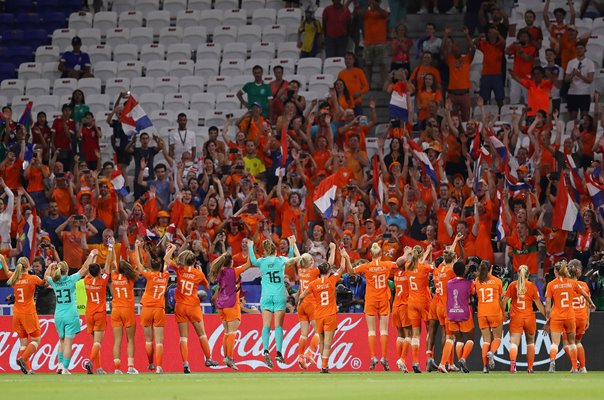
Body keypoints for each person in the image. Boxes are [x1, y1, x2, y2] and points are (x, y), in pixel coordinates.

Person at [164, 243, 218, 373]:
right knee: (202, 334)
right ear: (194, 261)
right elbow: (206, 287)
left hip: (180, 307)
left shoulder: (179, 269)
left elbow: (166, 259)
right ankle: (208, 358)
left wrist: (172, 248)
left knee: (183, 337)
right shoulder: (198, 274)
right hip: (193, 306)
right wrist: (200, 273)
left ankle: (186, 364)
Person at [248, 236, 296, 367]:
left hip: (266, 296)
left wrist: (250, 246)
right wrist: (291, 245)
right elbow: (291, 260)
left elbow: (252, 260)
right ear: (275, 251)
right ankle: (279, 352)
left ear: (265, 251)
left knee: (266, 325)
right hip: (279, 296)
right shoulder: (280, 260)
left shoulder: (261, 261)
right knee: (278, 326)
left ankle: (265, 350)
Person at [47, 250, 97, 374]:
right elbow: (85, 268)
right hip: (71, 314)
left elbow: (46, 277)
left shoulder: (54, 282)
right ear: (67, 270)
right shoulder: (71, 280)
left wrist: (49, 267)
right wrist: (91, 255)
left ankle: (59, 365)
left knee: (61, 340)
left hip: (58, 315)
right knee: (68, 342)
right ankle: (65, 368)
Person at [350, 242, 399, 371]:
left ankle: (373, 357)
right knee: (384, 330)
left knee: (371, 330)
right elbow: (400, 264)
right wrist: (406, 254)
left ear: (371, 254)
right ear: (381, 254)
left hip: (371, 300)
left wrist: (344, 256)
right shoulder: (387, 264)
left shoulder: (366, 267)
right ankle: (384, 357)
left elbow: (350, 271)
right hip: (383, 300)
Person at [298, 250, 348, 373]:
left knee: (321, 341)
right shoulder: (332, 280)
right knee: (327, 343)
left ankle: (322, 365)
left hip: (318, 315)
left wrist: (299, 304)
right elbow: (342, 268)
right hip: (330, 314)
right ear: (329, 271)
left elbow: (301, 295)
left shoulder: (313, 284)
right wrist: (343, 255)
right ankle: (324, 367)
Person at [545, 260, 595, 373]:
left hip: (560, 316)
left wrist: (548, 318)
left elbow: (550, 305)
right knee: (576, 343)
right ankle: (581, 367)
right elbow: (586, 299)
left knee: (560, 343)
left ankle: (555, 361)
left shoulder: (552, 284)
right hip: (578, 317)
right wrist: (589, 315)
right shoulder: (580, 285)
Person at [209, 252, 252, 370]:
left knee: (227, 332)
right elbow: (249, 264)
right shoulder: (234, 271)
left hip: (221, 305)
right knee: (232, 332)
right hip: (231, 304)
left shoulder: (220, 272)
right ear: (231, 262)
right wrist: (250, 249)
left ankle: (226, 357)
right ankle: (230, 357)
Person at [3, 256, 44, 375]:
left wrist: (1, 257)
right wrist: (50, 270)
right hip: (28, 313)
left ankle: (28, 369)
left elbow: (6, 271)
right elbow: (45, 284)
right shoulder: (32, 278)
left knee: (23, 342)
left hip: (17, 314)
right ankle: (23, 359)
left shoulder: (14, 278)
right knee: (36, 339)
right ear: (28, 266)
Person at [502, 264, 546, 374]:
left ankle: (513, 364)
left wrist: (503, 313)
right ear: (529, 274)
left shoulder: (512, 285)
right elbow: (539, 304)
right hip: (529, 317)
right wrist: (547, 316)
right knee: (530, 342)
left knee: (514, 342)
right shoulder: (532, 286)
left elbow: (504, 301)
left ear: (517, 273)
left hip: (516, 317)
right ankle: (530, 368)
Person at [133, 240, 169, 374]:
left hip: (147, 308)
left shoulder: (149, 275)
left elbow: (138, 264)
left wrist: (137, 247)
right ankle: (159, 366)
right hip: (159, 309)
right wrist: (170, 249)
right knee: (159, 341)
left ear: (151, 266)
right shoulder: (164, 276)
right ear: (160, 266)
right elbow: (166, 261)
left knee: (149, 340)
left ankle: (150, 363)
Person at [108, 238, 139, 374]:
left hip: (115, 310)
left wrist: (112, 246)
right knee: (130, 339)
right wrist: (136, 248)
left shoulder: (114, 276)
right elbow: (137, 264)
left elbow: (113, 262)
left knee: (117, 341)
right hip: (127, 309)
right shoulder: (130, 277)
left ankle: (116, 368)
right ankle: (130, 367)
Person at [438, 261, 475, 374]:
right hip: (464, 314)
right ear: (464, 271)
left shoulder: (449, 283)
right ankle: (462, 358)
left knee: (453, 339)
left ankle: (442, 364)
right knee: (470, 338)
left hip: (452, 313)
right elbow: (473, 293)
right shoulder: (469, 283)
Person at [404, 245, 433, 373]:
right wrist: (429, 252)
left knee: (415, 334)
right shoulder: (425, 267)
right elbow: (432, 268)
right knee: (429, 332)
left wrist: (426, 252)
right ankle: (429, 359)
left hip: (411, 303)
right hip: (424, 302)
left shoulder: (407, 266)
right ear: (421, 256)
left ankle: (415, 361)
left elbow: (417, 263)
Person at [474, 260, 505, 373]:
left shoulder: (477, 281)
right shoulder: (497, 281)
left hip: (482, 313)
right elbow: (501, 300)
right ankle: (492, 352)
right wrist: (504, 312)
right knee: (497, 338)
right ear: (490, 268)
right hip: (495, 311)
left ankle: (485, 367)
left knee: (486, 340)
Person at [83, 254, 111, 374]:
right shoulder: (102, 280)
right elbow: (108, 265)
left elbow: (90, 269)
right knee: (98, 342)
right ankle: (90, 362)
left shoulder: (86, 280)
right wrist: (110, 248)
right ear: (100, 271)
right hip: (99, 313)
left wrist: (93, 255)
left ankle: (99, 368)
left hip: (89, 314)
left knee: (95, 342)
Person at [568, 259, 590, 373]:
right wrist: (588, 319)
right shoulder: (584, 285)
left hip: (570, 318)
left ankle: (575, 365)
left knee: (567, 344)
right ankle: (583, 367)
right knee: (577, 342)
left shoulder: (567, 285)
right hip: (582, 317)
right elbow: (587, 303)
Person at [392, 246, 412, 372]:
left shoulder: (395, 274)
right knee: (409, 334)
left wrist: (405, 253)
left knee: (400, 335)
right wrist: (409, 253)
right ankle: (403, 359)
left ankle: (401, 361)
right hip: (405, 306)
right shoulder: (408, 273)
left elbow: (399, 263)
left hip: (395, 306)